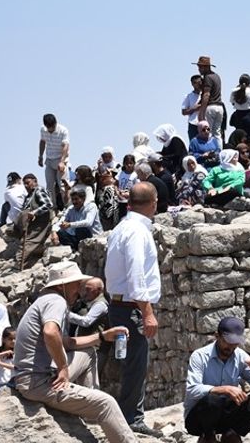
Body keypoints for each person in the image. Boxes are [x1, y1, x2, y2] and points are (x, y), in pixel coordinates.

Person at [12, 261, 133, 443]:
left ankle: (88, 412)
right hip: (38, 382)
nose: (80, 289)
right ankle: (96, 410)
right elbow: (50, 332)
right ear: (63, 285)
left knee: (88, 353)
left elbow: (66, 343)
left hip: (31, 377)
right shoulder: (57, 301)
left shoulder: (45, 300)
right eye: (77, 284)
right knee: (106, 403)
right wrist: (62, 368)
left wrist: (102, 336)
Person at [104, 181, 162, 437]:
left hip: (119, 305)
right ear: (154, 202)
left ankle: (125, 415)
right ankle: (132, 419)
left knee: (128, 363)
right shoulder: (137, 232)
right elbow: (136, 274)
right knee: (135, 363)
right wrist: (147, 312)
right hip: (131, 308)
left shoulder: (121, 228)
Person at [184, 316, 250, 442]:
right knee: (212, 399)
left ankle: (232, 433)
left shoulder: (240, 356)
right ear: (217, 336)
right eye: (227, 341)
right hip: (199, 419)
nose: (231, 347)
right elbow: (192, 389)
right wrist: (224, 389)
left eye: (235, 343)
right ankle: (208, 436)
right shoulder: (199, 356)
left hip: (227, 414)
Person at [18, 173, 56, 269]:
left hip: (40, 222)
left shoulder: (38, 190)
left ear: (35, 181)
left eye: (28, 183)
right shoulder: (28, 196)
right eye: (24, 184)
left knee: (28, 243)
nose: (26, 186)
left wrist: (34, 212)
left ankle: (21, 266)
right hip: (30, 223)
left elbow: (48, 204)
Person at [39, 113, 71, 209]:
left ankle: (67, 207)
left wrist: (62, 161)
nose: (50, 129)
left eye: (52, 127)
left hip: (60, 159)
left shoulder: (63, 130)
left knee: (62, 185)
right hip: (49, 160)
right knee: (49, 186)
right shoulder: (43, 130)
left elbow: (65, 146)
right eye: (49, 127)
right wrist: (40, 156)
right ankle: (53, 208)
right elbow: (42, 142)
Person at [58, 185, 102, 251]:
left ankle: (84, 250)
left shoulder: (91, 206)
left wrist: (70, 224)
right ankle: (74, 250)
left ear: (83, 199)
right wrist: (54, 231)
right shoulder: (71, 209)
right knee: (61, 232)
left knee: (80, 229)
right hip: (78, 237)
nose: (74, 202)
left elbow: (88, 223)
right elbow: (62, 221)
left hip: (93, 236)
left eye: (76, 199)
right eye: (72, 199)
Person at [196, 56, 227, 143]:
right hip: (219, 107)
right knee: (217, 133)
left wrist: (202, 110)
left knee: (207, 132)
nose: (199, 69)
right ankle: (218, 152)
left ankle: (210, 152)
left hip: (211, 107)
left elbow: (207, 94)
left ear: (206, 67)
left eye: (200, 67)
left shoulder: (208, 77)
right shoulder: (216, 76)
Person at [181, 75, 204, 141]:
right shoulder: (188, 96)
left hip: (205, 122)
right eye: (196, 83)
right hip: (193, 124)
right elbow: (184, 112)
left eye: (200, 82)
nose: (198, 84)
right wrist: (194, 108)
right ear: (192, 84)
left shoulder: (205, 95)